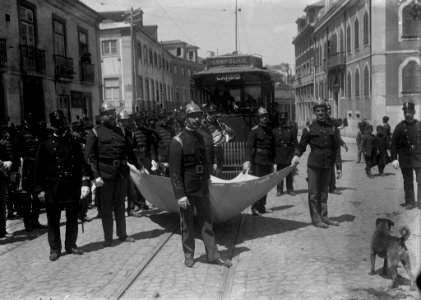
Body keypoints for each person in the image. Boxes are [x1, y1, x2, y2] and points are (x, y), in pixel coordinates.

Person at [169, 101, 232, 268]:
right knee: (187, 225)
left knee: (207, 223)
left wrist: (207, 177)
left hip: (201, 187)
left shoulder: (201, 137)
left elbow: (204, 161)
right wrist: (180, 194)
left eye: (198, 116)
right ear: (186, 119)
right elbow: (175, 173)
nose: (197, 119)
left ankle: (213, 255)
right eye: (193, 117)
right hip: (187, 190)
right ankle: (189, 254)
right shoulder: (178, 141)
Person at [33, 110, 91, 261]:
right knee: (53, 220)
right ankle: (55, 248)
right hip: (53, 187)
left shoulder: (73, 142)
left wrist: (85, 183)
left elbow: (82, 164)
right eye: (58, 125)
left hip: (71, 185)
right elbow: (38, 170)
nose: (61, 127)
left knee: (72, 217)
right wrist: (39, 190)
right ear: (52, 126)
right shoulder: (45, 144)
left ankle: (71, 244)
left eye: (63, 124)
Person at [85, 102, 143, 247]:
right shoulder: (95, 132)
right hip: (105, 176)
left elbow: (129, 152)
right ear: (101, 116)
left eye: (113, 112)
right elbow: (90, 158)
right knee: (106, 208)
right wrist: (96, 176)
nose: (111, 116)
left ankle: (122, 234)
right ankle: (108, 238)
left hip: (121, 174)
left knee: (119, 206)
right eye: (108, 113)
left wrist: (140, 166)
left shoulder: (121, 131)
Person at [291, 100, 343, 228]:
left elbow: (336, 148)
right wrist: (296, 155)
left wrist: (339, 167)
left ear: (326, 112)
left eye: (323, 111)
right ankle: (316, 218)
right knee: (313, 193)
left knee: (324, 192)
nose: (320, 113)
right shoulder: (309, 129)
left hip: (327, 164)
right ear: (314, 113)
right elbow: (302, 145)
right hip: (314, 164)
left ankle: (324, 216)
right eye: (318, 111)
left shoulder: (332, 128)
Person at [16, 112, 48, 232]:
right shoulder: (22, 135)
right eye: (31, 121)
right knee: (26, 198)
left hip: (38, 169)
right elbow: (17, 153)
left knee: (37, 197)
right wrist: (15, 172)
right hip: (26, 169)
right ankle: (27, 223)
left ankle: (35, 220)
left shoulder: (39, 133)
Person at [243, 107, 274, 216]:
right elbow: (248, 146)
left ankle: (262, 206)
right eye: (262, 116)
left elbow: (272, 147)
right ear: (259, 118)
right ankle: (254, 207)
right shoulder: (255, 130)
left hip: (267, 161)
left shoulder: (270, 130)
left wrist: (273, 162)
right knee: (257, 185)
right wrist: (247, 161)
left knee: (265, 185)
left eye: (265, 116)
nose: (264, 118)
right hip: (257, 161)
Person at [390, 102, 421, 210]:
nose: (408, 113)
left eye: (410, 111)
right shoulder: (399, 127)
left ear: (414, 112)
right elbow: (393, 144)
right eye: (405, 111)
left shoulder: (419, 125)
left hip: (419, 158)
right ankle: (410, 202)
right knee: (408, 181)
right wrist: (393, 159)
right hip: (405, 158)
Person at [273, 112, 297, 196]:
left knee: (289, 173)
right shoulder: (275, 131)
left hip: (289, 154)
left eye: (284, 119)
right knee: (279, 174)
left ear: (287, 120)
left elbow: (295, 143)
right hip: (278, 153)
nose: (283, 121)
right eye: (281, 119)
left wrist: (295, 155)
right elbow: (272, 145)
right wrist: (274, 158)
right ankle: (279, 190)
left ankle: (290, 189)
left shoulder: (291, 130)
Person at [0, 140, 13, 239]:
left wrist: (7, 163)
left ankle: (2, 231)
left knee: (2, 206)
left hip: (1, 178)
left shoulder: (1, 146)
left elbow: (8, 158)